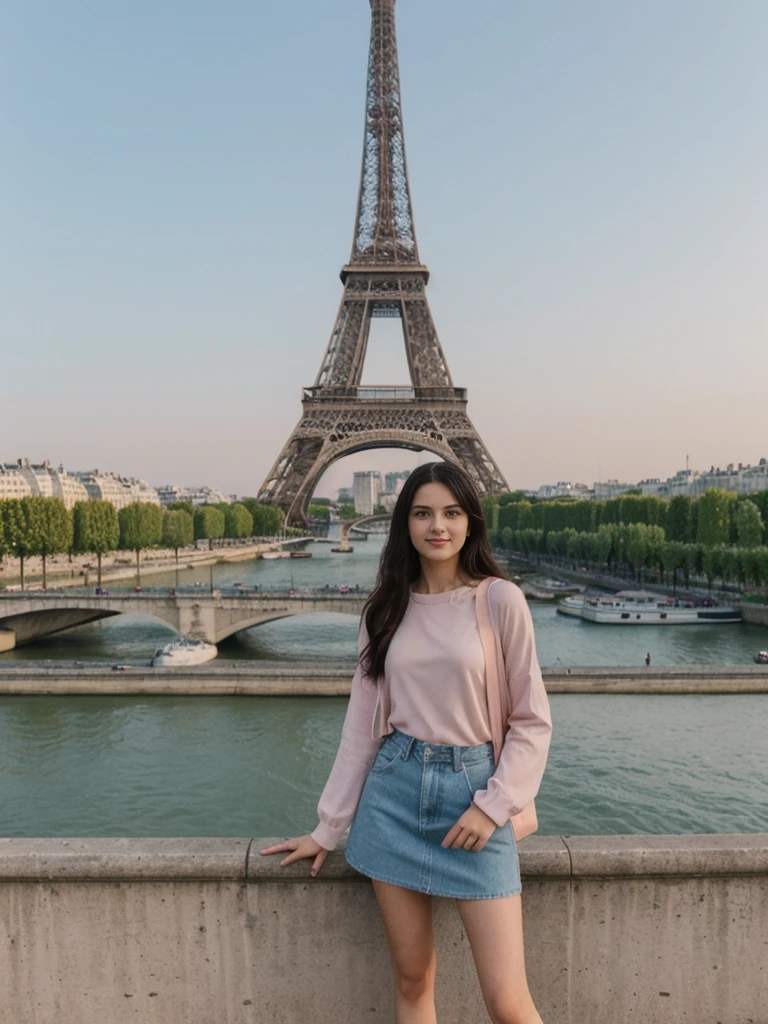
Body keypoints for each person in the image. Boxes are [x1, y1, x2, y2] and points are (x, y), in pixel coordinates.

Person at [260, 461, 553, 1023]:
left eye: (451, 512)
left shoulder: (500, 602)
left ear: (471, 523)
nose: (437, 526)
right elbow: (360, 729)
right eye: (423, 513)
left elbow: (532, 721)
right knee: (414, 981)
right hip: (392, 797)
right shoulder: (385, 610)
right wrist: (327, 827)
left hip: (475, 797)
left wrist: (492, 807)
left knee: (509, 1003)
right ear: (406, 524)